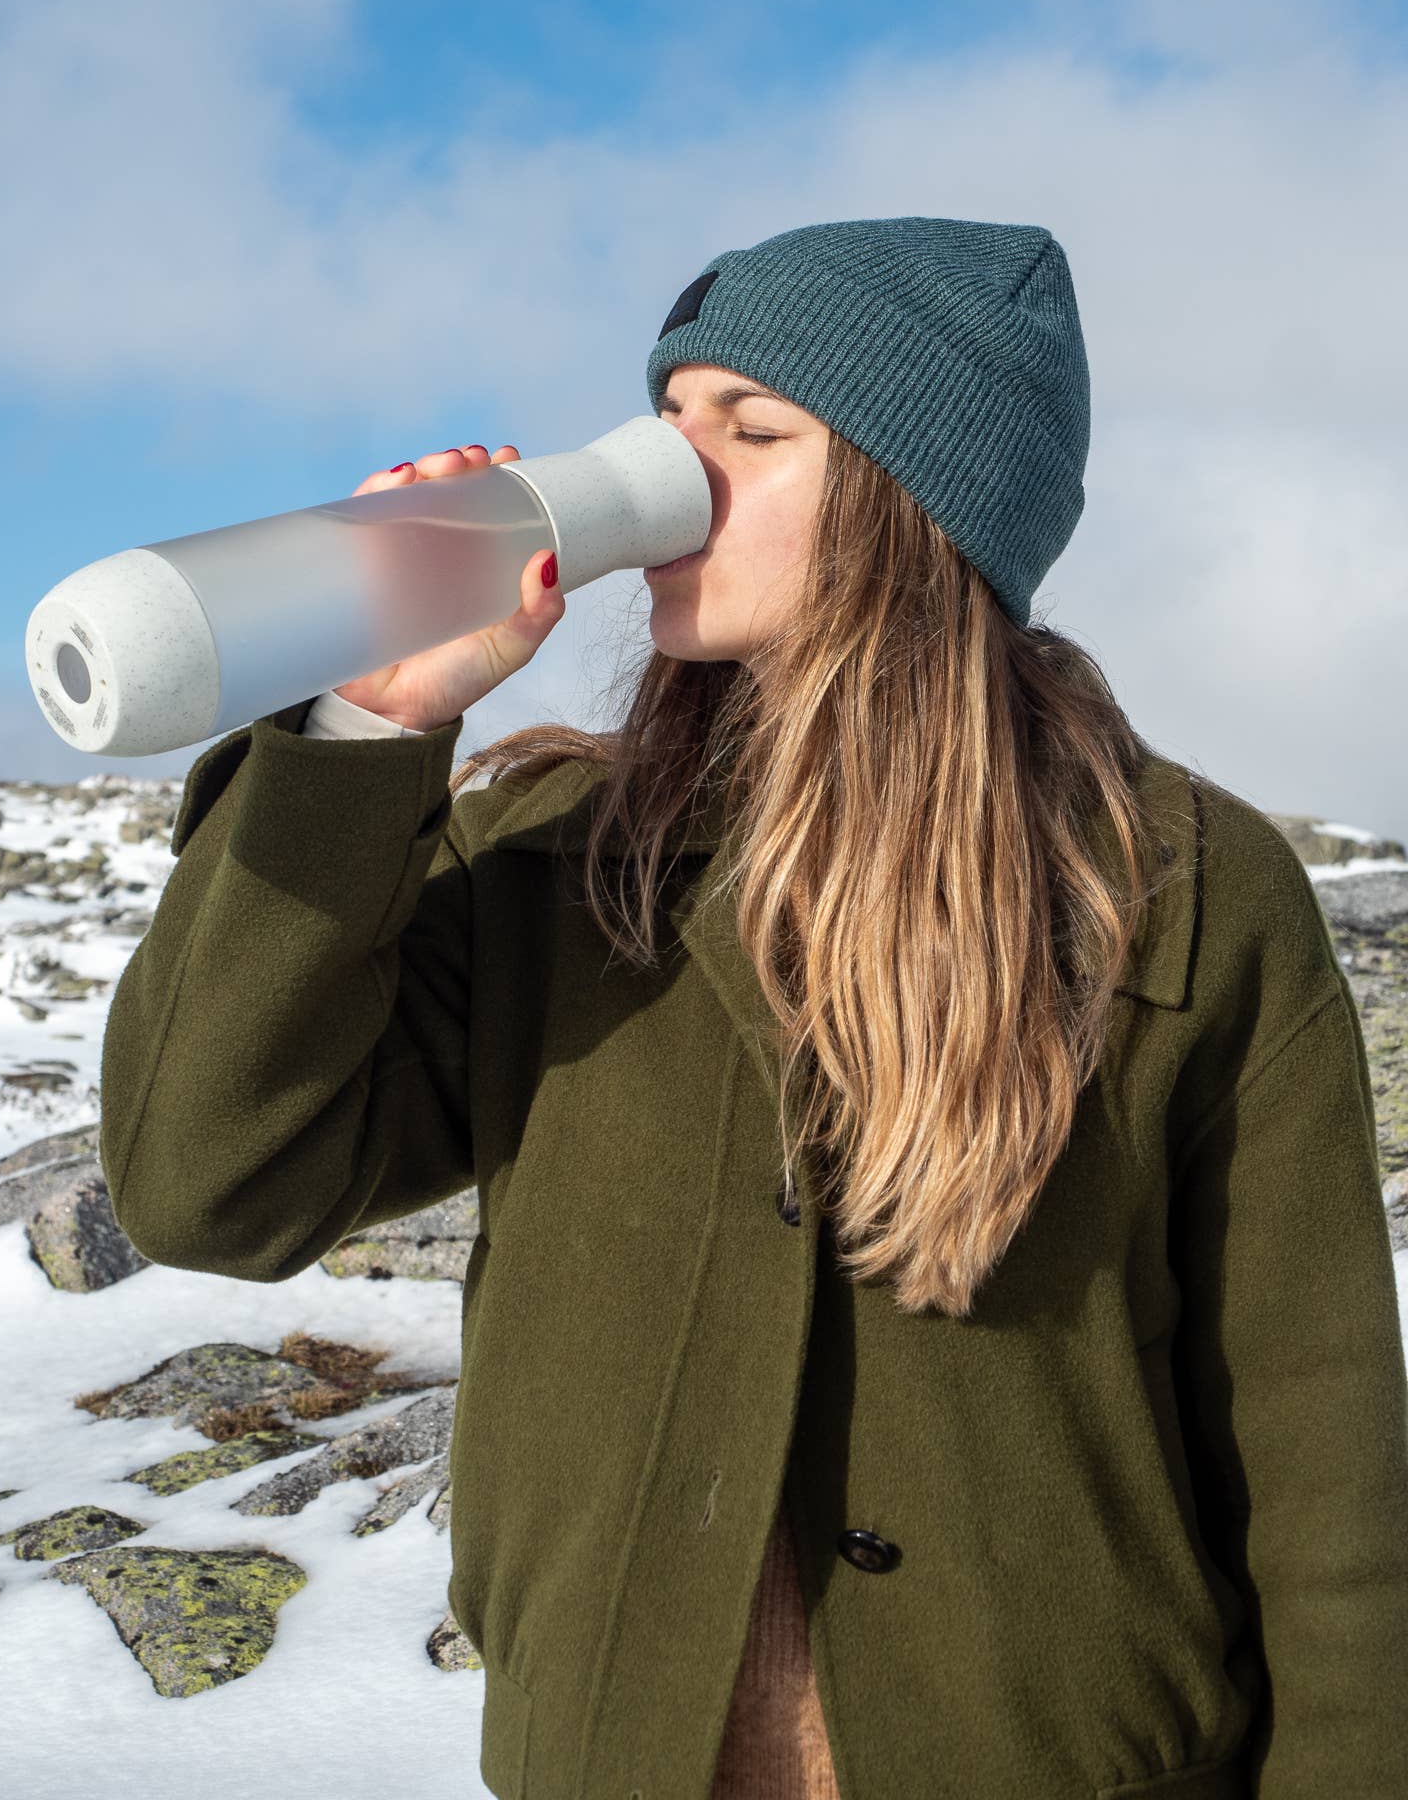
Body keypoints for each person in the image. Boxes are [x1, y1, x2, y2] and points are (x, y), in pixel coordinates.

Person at [99, 218, 1408, 1799]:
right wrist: (365, 737)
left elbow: (1324, 1460)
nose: (673, 469)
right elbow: (205, 1183)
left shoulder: (1182, 884)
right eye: (667, 420)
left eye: (756, 428)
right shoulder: (555, 865)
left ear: (917, 499)